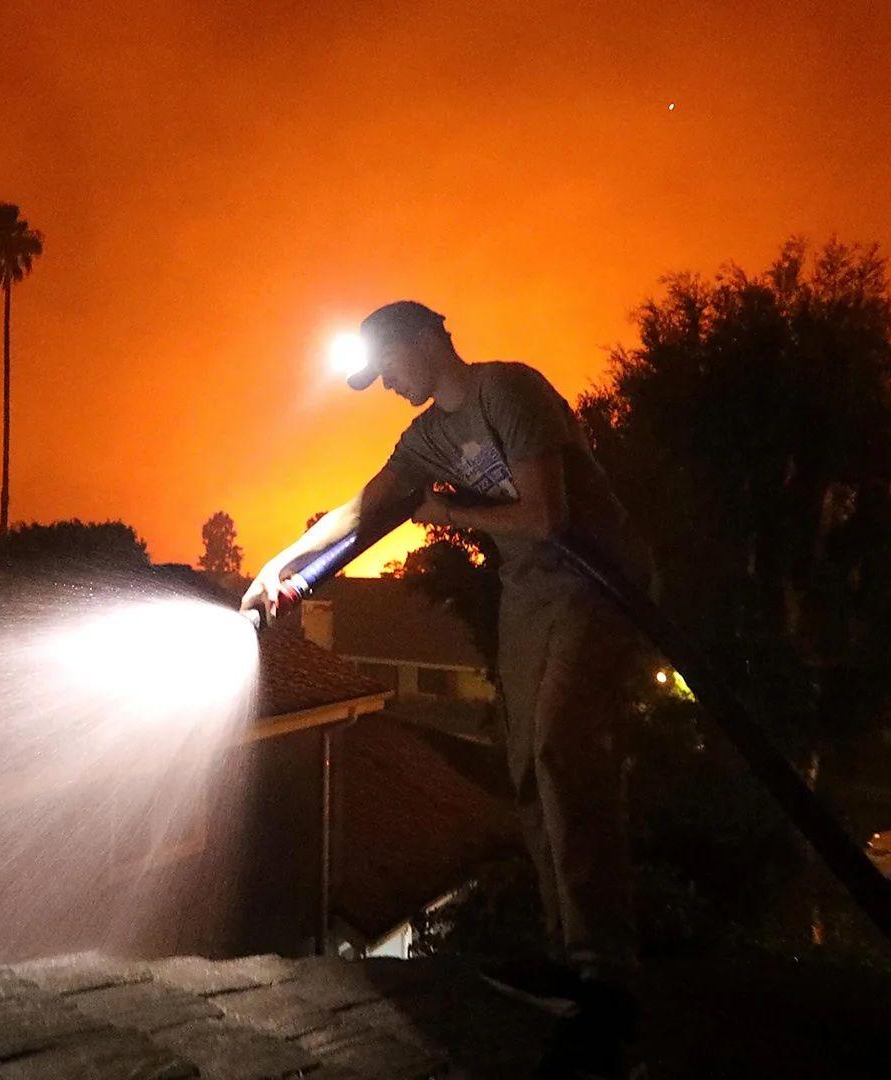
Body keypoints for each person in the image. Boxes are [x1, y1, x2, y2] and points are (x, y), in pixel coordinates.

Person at [242, 300, 654, 1040]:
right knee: (528, 766)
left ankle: (608, 973)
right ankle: (570, 958)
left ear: (424, 339)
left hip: (598, 584)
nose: (389, 384)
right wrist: (280, 566)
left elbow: (547, 518)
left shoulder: (508, 392)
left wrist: (450, 514)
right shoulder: (427, 435)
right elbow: (367, 506)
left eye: (389, 366)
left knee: (565, 752)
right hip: (530, 594)